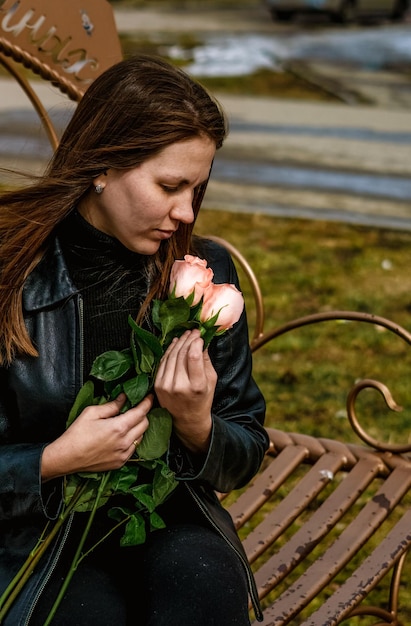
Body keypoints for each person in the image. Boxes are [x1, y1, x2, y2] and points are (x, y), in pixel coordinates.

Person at [0, 54, 269, 626]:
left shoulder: (201, 273)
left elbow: (244, 449)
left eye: (197, 188)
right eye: (170, 185)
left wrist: (198, 424)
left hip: (168, 515)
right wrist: (53, 460)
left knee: (203, 589)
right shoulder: (10, 273)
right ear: (101, 166)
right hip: (37, 532)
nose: (185, 212)